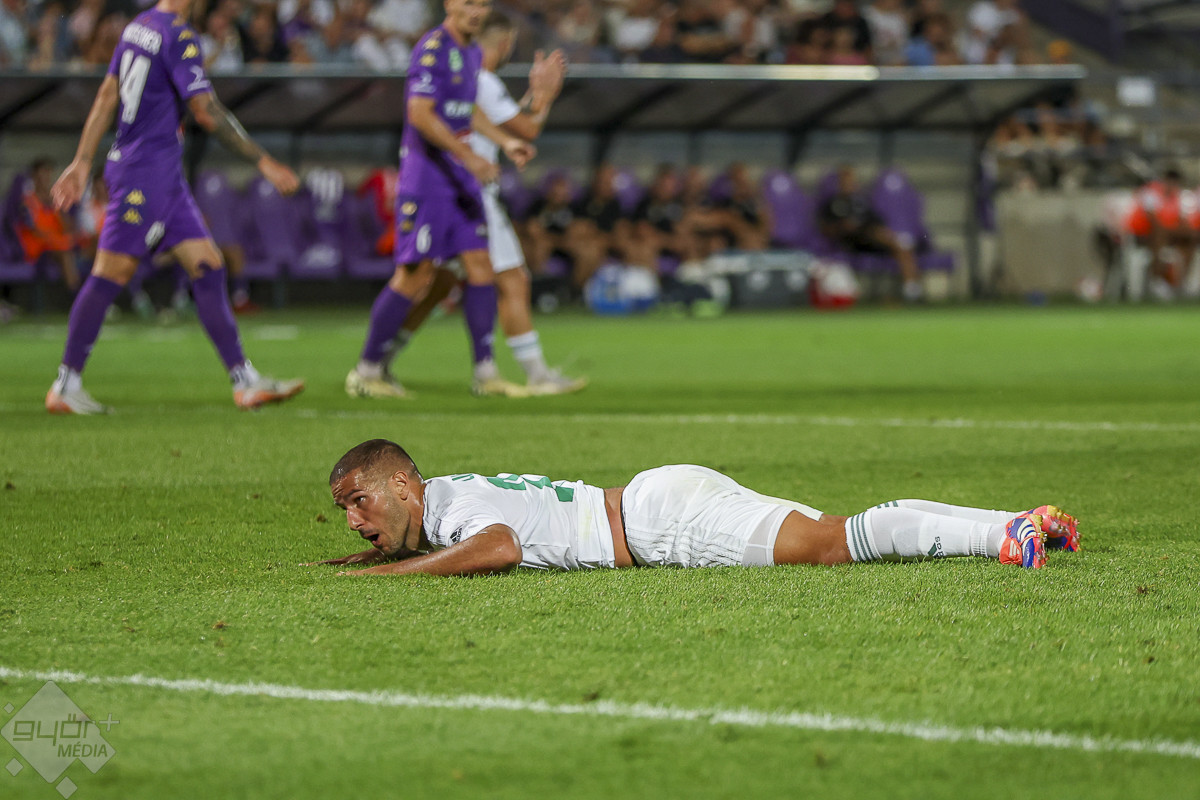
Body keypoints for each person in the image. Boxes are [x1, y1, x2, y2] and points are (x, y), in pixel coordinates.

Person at [46, 0, 305, 414]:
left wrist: (82, 160)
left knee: (208, 265)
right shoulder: (179, 34)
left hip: (162, 176)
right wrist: (264, 162)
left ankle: (245, 381)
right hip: (144, 175)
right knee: (111, 271)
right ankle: (65, 384)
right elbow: (206, 110)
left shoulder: (138, 26)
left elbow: (107, 94)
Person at [313, 439, 1081, 577]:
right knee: (831, 535)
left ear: (403, 485)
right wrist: (379, 551)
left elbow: (499, 547)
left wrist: (385, 575)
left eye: (360, 501)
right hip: (655, 499)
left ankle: (1003, 533)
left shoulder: (456, 511)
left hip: (658, 524)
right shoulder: (445, 500)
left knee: (834, 543)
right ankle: (1012, 524)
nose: (355, 518)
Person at [378, 12, 585, 396]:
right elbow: (527, 127)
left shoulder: (469, 76)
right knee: (511, 279)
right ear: (504, 43)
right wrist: (544, 98)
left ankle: (381, 359)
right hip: (469, 192)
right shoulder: (482, 79)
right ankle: (533, 373)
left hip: (452, 189)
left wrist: (526, 108)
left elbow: (498, 122)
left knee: (437, 285)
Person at [344, 0, 536, 401]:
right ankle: (366, 371)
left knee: (481, 266)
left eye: (482, 3)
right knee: (415, 275)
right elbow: (420, 113)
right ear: (449, 4)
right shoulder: (432, 49)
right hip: (427, 179)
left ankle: (486, 373)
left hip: (460, 180)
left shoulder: (471, 52)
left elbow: (466, 110)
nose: (476, 11)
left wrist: (504, 141)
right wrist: (470, 155)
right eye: (468, 2)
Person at [818, 164, 923, 302]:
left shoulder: (861, 201)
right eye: (845, 181)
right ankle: (911, 288)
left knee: (901, 248)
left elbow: (877, 221)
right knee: (893, 241)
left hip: (871, 240)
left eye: (851, 181)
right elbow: (825, 229)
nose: (849, 184)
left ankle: (911, 289)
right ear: (839, 183)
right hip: (851, 243)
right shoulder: (833, 204)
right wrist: (842, 227)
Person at [15, 157, 82, 293]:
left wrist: (57, 207)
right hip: (36, 250)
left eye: (48, 174)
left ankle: (92, 294)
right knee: (66, 255)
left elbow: (69, 227)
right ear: (34, 177)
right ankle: (77, 295)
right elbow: (34, 230)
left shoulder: (56, 200)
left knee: (82, 251)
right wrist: (58, 240)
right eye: (43, 174)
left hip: (56, 246)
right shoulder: (27, 202)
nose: (46, 179)